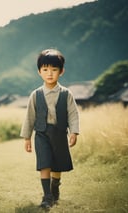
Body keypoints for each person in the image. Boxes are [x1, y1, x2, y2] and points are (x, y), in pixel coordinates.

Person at [20, 48, 80, 210]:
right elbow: (29, 117)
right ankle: (47, 197)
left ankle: (55, 188)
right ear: (39, 72)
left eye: (54, 70)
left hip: (60, 133)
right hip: (41, 134)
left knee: (57, 165)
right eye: (45, 70)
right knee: (44, 163)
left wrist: (74, 132)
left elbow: (73, 114)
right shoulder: (36, 94)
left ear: (61, 71)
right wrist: (27, 138)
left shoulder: (66, 94)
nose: (50, 73)